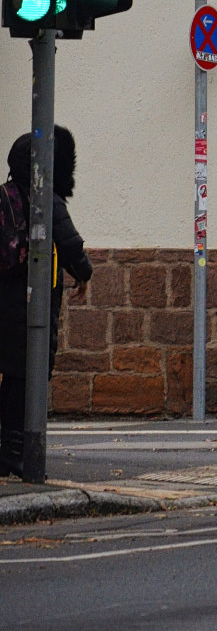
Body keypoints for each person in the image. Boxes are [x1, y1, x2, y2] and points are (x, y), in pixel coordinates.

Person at [0, 126, 92, 476]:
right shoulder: (45, 198)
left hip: (6, 300)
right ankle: (19, 452)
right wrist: (84, 274)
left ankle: (7, 449)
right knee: (29, 376)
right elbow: (70, 245)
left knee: (13, 376)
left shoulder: (7, 195)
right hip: (33, 304)